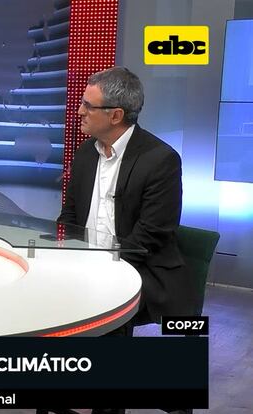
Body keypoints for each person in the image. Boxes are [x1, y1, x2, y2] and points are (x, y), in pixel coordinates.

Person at [58, 66, 193, 326]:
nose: (79, 111)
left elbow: (151, 233)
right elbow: (69, 215)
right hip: (84, 266)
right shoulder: (85, 153)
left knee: (93, 310)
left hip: (137, 268)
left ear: (116, 115)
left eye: (88, 106)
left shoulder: (160, 160)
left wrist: (104, 267)